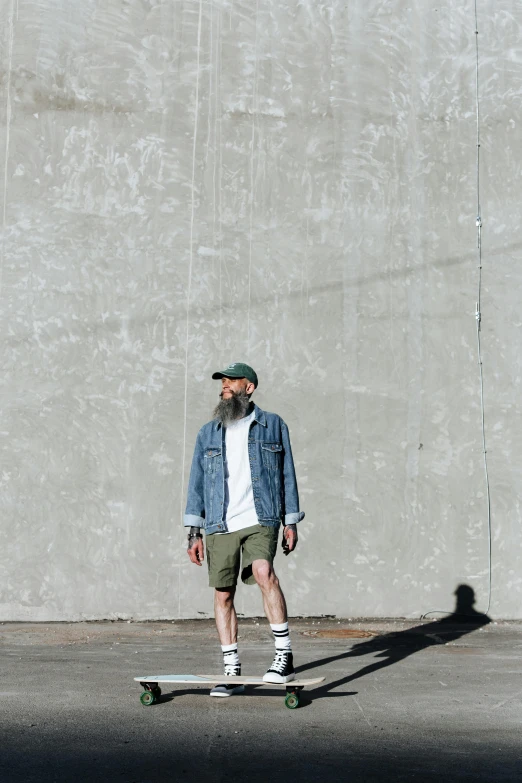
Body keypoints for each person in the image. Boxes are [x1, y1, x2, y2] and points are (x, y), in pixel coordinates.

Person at [184, 362, 305, 696]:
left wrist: (290, 521)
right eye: (222, 381)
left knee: (264, 572)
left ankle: (284, 657)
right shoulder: (207, 433)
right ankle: (231, 669)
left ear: (248, 387)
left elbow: (287, 474)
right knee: (223, 594)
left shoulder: (272, 425)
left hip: (261, 517)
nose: (224, 385)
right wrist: (193, 532)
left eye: (230, 381)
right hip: (220, 523)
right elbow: (196, 485)